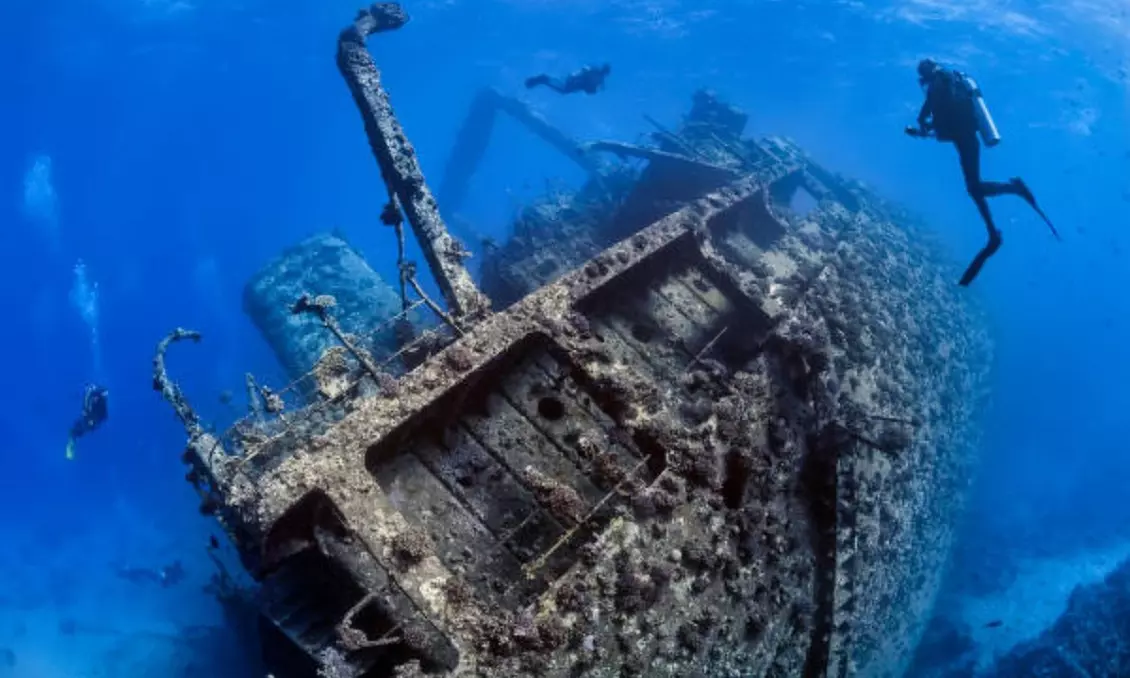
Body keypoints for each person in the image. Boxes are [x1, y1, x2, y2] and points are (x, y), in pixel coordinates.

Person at [906, 58, 1058, 286]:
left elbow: (932, 109)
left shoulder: (939, 81)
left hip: (965, 139)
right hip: (964, 138)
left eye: (923, 78)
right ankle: (993, 232)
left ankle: (1011, 194)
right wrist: (923, 130)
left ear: (927, 73)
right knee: (973, 187)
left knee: (974, 187)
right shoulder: (949, 81)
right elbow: (942, 122)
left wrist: (920, 122)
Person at [66, 383, 108, 460]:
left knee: (76, 430)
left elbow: (101, 415)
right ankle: (72, 443)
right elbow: (87, 408)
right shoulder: (96, 398)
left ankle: (72, 443)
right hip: (89, 421)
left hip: (90, 421)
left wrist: (92, 419)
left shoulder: (97, 400)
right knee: (76, 430)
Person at [525, 64, 611, 95]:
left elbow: (592, 90)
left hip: (577, 85)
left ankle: (543, 79)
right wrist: (574, 76)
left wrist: (592, 89)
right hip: (576, 82)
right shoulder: (595, 72)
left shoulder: (600, 80)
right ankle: (543, 79)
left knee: (563, 89)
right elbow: (584, 70)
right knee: (563, 88)